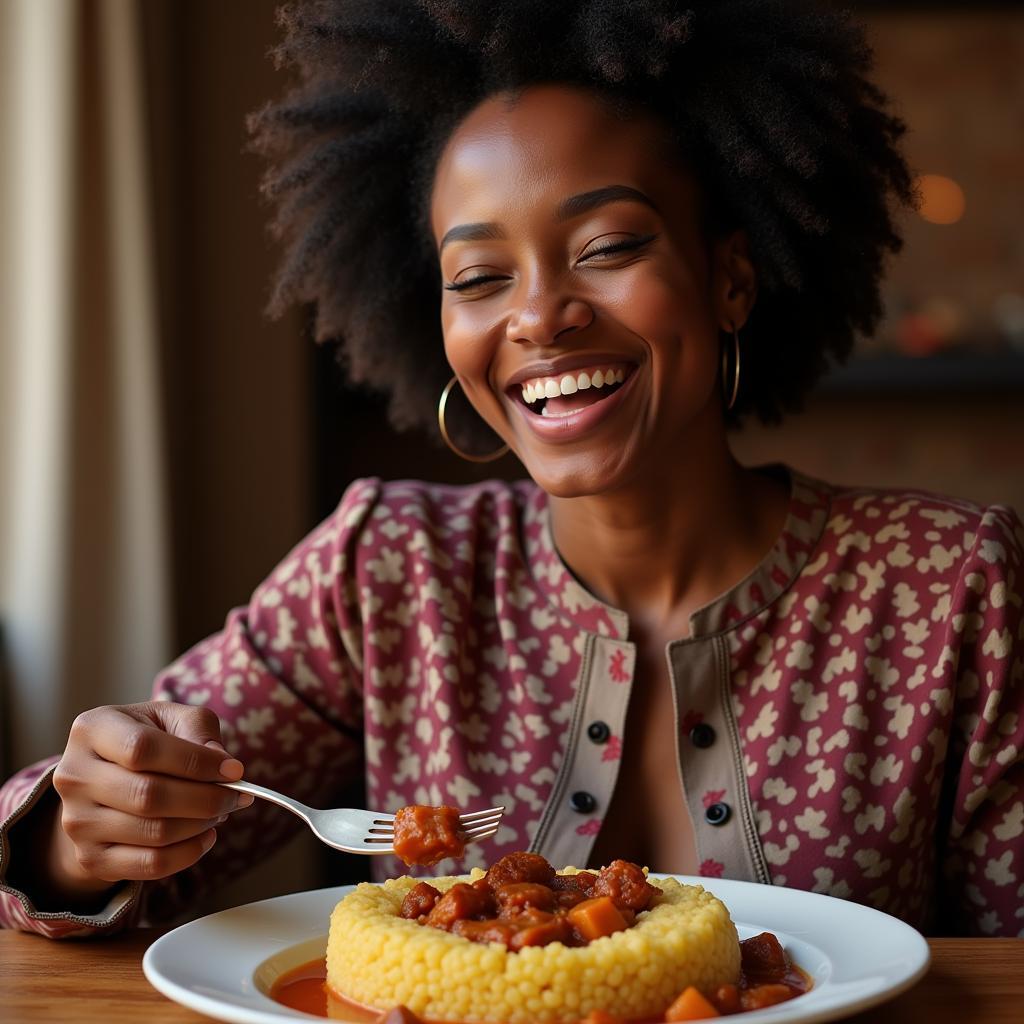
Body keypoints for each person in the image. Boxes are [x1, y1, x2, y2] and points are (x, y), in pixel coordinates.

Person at [1, 0, 1021, 941]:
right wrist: (83, 829)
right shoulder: (388, 567)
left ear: (730, 279)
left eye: (608, 244)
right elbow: (89, 852)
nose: (536, 317)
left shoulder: (949, 586)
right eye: (480, 277)